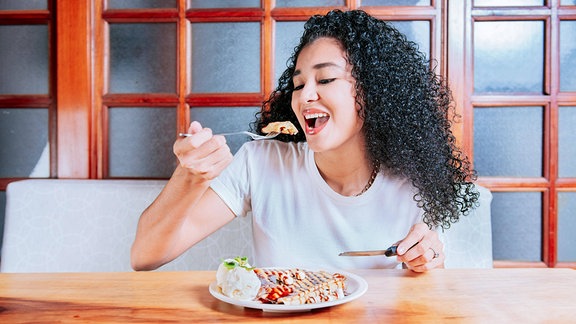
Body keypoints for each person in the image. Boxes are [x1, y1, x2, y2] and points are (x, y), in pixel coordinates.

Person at [131, 9, 479, 273]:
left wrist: (427, 262)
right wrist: (190, 176)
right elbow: (145, 256)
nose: (304, 96)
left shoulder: (414, 180)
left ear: (374, 94)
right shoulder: (261, 161)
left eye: (325, 79)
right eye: (298, 85)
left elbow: (436, 290)